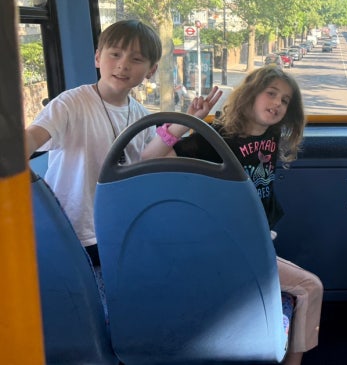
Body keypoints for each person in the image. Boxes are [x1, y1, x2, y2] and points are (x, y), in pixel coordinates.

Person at [142, 65, 322, 365]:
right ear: (250, 95)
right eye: (271, 94)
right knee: (310, 287)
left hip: (255, 241)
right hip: (227, 248)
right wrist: (189, 121)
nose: (277, 104)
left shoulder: (272, 133)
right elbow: (150, 157)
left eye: (285, 100)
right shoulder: (215, 138)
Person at [24, 19, 163, 267]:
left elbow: (151, 158)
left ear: (151, 70)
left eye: (136, 59)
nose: (123, 65)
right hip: (71, 228)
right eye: (115, 54)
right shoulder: (70, 103)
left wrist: (178, 129)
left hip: (120, 225)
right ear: (98, 58)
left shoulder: (142, 116)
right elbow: (34, 135)